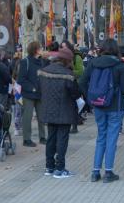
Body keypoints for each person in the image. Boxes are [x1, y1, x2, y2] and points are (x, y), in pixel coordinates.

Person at [79, 39, 124, 183]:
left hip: (98, 106)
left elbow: (82, 82)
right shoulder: (120, 66)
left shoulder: (93, 63)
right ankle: (108, 172)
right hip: (115, 106)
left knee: (101, 136)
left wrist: (90, 99)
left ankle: (95, 172)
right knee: (112, 138)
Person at [37, 47, 82, 178]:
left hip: (48, 110)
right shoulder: (68, 75)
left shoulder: (43, 72)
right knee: (62, 139)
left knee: (51, 138)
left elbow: (39, 89)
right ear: (68, 60)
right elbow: (76, 93)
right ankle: (60, 168)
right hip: (65, 111)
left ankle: (49, 167)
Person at [17, 41, 47, 147]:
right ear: (36, 50)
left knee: (42, 116)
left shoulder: (42, 62)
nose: (42, 49)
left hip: (40, 93)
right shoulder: (25, 62)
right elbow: (21, 79)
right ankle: (26, 139)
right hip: (28, 95)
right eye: (40, 48)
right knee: (27, 117)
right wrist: (32, 88)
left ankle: (43, 137)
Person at [61, 41, 84, 134]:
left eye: (65, 47)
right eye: (62, 47)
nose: (63, 49)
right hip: (63, 83)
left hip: (74, 83)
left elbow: (80, 71)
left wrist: (69, 73)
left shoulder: (77, 57)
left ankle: (74, 126)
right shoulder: (60, 58)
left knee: (74, 105)